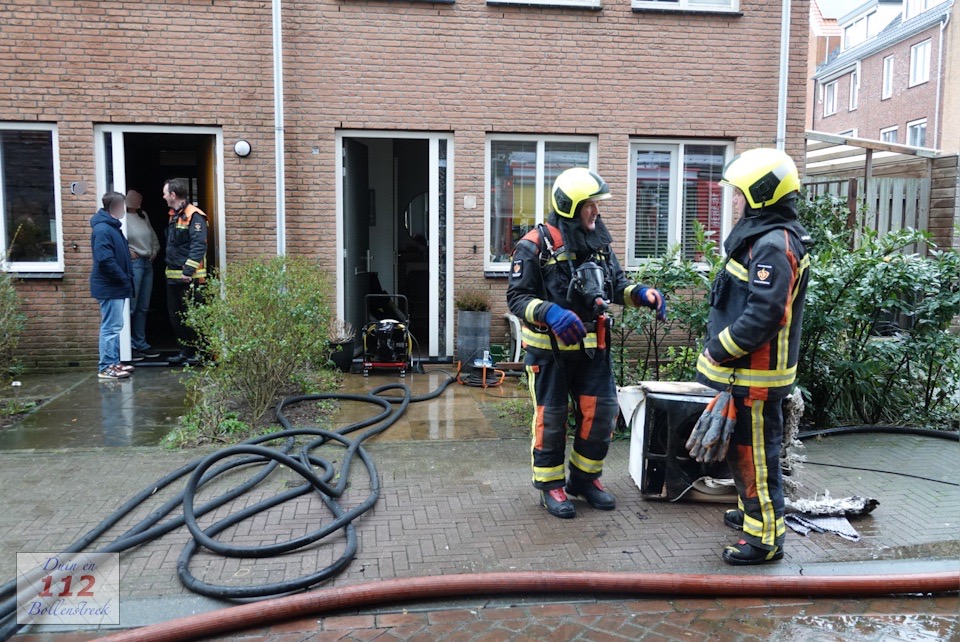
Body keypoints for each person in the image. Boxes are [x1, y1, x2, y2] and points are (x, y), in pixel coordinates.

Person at [507, 167, 666, 519]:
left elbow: (616, 286)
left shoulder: (599, 242)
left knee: (602, 414)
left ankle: (585, 479)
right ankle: (551, 486)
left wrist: (642, 294)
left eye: (597, 204)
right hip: (549, 356)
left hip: (594, 352)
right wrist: (549, 313)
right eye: (590, 204)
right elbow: (517, 298)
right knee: (551, 420)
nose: (596, 211)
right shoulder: (534, 245)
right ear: (569, 205)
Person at [695, 148, 811, 565]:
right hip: (746, 376)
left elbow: (765, 314)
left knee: (755, 458)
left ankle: (763, 540)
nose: (736, 202)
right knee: (743, 453)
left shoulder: (772, 246)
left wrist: (718, 348)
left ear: (761, 195)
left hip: (757, 378)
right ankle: (751, 515)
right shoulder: (764, 237)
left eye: (741, 194)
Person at [162, 178, 208, 365]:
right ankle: (186, 351)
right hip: (173, 277)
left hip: (190, 278)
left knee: (193, 317)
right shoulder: (174, 214)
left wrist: (188, 271)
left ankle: (200, 353)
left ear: (173, 195)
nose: (163, 196)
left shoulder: (194, 215)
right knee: (176, 317)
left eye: (165, 193)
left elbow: (198, 245)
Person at [90, 192, 134, 380]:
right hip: (110, 286)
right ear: (115, 207)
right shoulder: (103, 229)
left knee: (115, 326)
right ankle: (106, 367)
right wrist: (123, 278)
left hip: (115, 286)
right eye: (122, 205)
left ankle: (113, 363)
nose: (124, 209)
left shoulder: (111, 228)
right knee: (110, 327)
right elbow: (105, 260)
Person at [124, 190, 161, 361]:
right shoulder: (122, 217)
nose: (137, 200)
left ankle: (141, 343)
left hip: (148, 263)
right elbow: (119, 238)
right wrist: (128, 251)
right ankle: (129, 346)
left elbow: (152, 235)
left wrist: (155, 250)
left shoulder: (143, 215)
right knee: (131, 306)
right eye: (133, 197)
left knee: (143, 307)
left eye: (139, 197)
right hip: (135, 264)